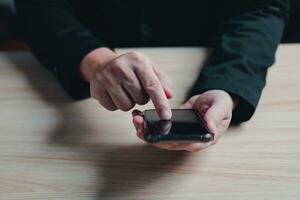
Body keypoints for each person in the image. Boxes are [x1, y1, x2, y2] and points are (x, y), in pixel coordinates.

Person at [15, 0, 290, 152]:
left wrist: (227, 87)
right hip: (91, 44)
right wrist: (97, 63)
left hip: (205, 46)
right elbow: (38, 8)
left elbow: (260, 7)